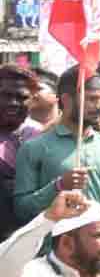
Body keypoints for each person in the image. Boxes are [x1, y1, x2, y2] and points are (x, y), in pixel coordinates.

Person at [13, 67, 100, 227]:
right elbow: (22, 209)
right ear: (66, 100)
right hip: (52, 242)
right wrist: (59, 186)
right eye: (92, 99)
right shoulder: (33, 148)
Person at [0, 65, 43, 240]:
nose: (13, 102)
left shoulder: (41, 136)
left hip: (30, 238)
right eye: (6, 95)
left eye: (21, 97)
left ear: (33, 100)